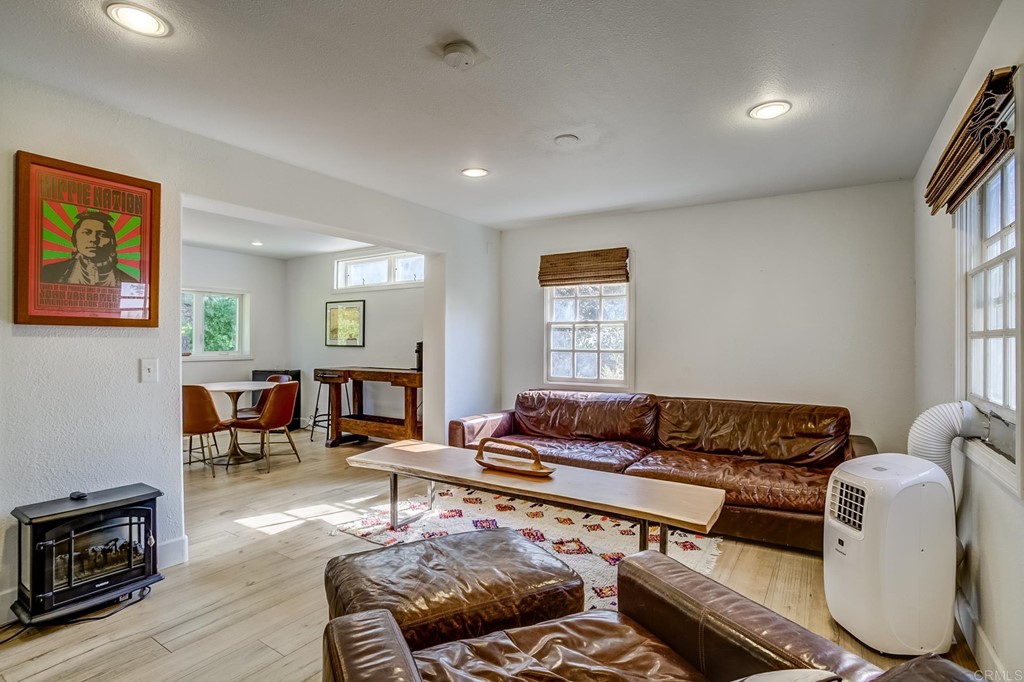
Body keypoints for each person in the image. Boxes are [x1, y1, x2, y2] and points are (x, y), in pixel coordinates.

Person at [40, 210, 138, 286]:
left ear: (112, 243)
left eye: (102, 234)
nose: (93, 239)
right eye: (86, 232)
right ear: (75, 241)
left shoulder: (130, 283)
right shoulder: (49, 273)